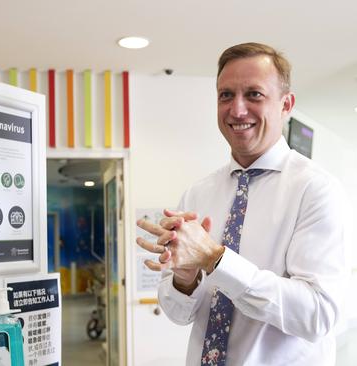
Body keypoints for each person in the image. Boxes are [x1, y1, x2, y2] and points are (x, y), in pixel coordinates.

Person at [136, 42, 345, 365]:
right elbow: (178, 315)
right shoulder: (197, 195)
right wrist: (185, 278)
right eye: (225, 95)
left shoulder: (316, 190)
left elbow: (318, 315)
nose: (237, 109)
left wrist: (216, 260)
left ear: (286, 104)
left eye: (254, 94)